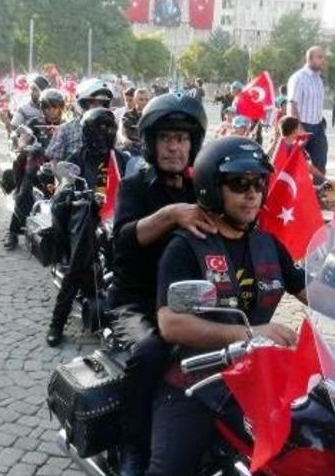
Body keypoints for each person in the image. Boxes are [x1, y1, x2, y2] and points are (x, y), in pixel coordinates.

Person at [145, 136, 308, 475]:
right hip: (195, 380)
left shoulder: (267, 245)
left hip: (256, 377)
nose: (252, 193)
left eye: (258, 183)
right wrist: (251, 332)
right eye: (239, 183)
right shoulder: (187, 247)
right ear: (211, 189)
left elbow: (311, 291)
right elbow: (171, 324)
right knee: (169, 470)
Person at [108, 93, 211, 476]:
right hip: (137, 302)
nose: (174, 146)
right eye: (167, 138)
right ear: (152, 143)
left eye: (182, 139)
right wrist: (170, 215)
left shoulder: (200, 189)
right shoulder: (135, 187)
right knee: (152, 353)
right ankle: (132, 445)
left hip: (188, 302)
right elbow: (123, 238)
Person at [48, 107, 120, 346]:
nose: (105, 134)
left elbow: (133, 179)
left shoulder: (120, 159)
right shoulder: (78, 158)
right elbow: (62, 190)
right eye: (100, 129)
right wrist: (71, 192)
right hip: (87, 219)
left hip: (117, 218)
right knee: (80, 260)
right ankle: (57, 323)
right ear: (88, 132)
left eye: (109, 129)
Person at [3, 89, 66, 250]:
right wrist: (25, 145)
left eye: (55, 107)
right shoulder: (34, 123)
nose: (51, 110)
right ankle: (13, 232)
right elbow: (23, 139)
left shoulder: (66, 126)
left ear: (61, 107)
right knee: (25, 191)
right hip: (36, 164)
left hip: (59, 165)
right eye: (47, 107)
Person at [44, 78, 113, 163]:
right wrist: (62, 172)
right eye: (94, 103)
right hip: (73, 174)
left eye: (103, 104)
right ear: (82, 104)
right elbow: (53, 160)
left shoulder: (111, 129)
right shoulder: (66, 129)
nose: (99, 107)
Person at [287, 46, 328, 185]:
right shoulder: (299, 78)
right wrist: (297, 127)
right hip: (302, 126)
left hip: (317, 127)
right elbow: (292, 104)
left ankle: (318, 193)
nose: (323, 60)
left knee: (320, 161)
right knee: (297, 162)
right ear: (310, 59)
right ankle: (294, 194)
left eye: (324, 57)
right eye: (320, 57)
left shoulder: (318, 80)